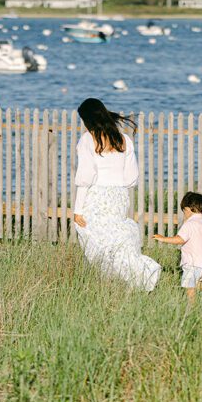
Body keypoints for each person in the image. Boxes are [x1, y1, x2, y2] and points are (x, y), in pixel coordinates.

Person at [73, 97, 161, 291]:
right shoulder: (124, 139)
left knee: (97, 240)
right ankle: (127, 279)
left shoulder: (88, 139)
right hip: (119, 196)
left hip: (97, 196)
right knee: (113, 237)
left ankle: (140, 272)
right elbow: (131, 178)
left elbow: (85, 177)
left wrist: (78, 209)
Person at [154, 192, 202, 302]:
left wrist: (163, 238)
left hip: (193, 264)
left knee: (189, 287)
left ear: (188, 209)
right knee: (198, 283)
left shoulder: (189, 224)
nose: (184, 215)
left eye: (184, 212)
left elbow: (180, 239)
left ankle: (190, 306)